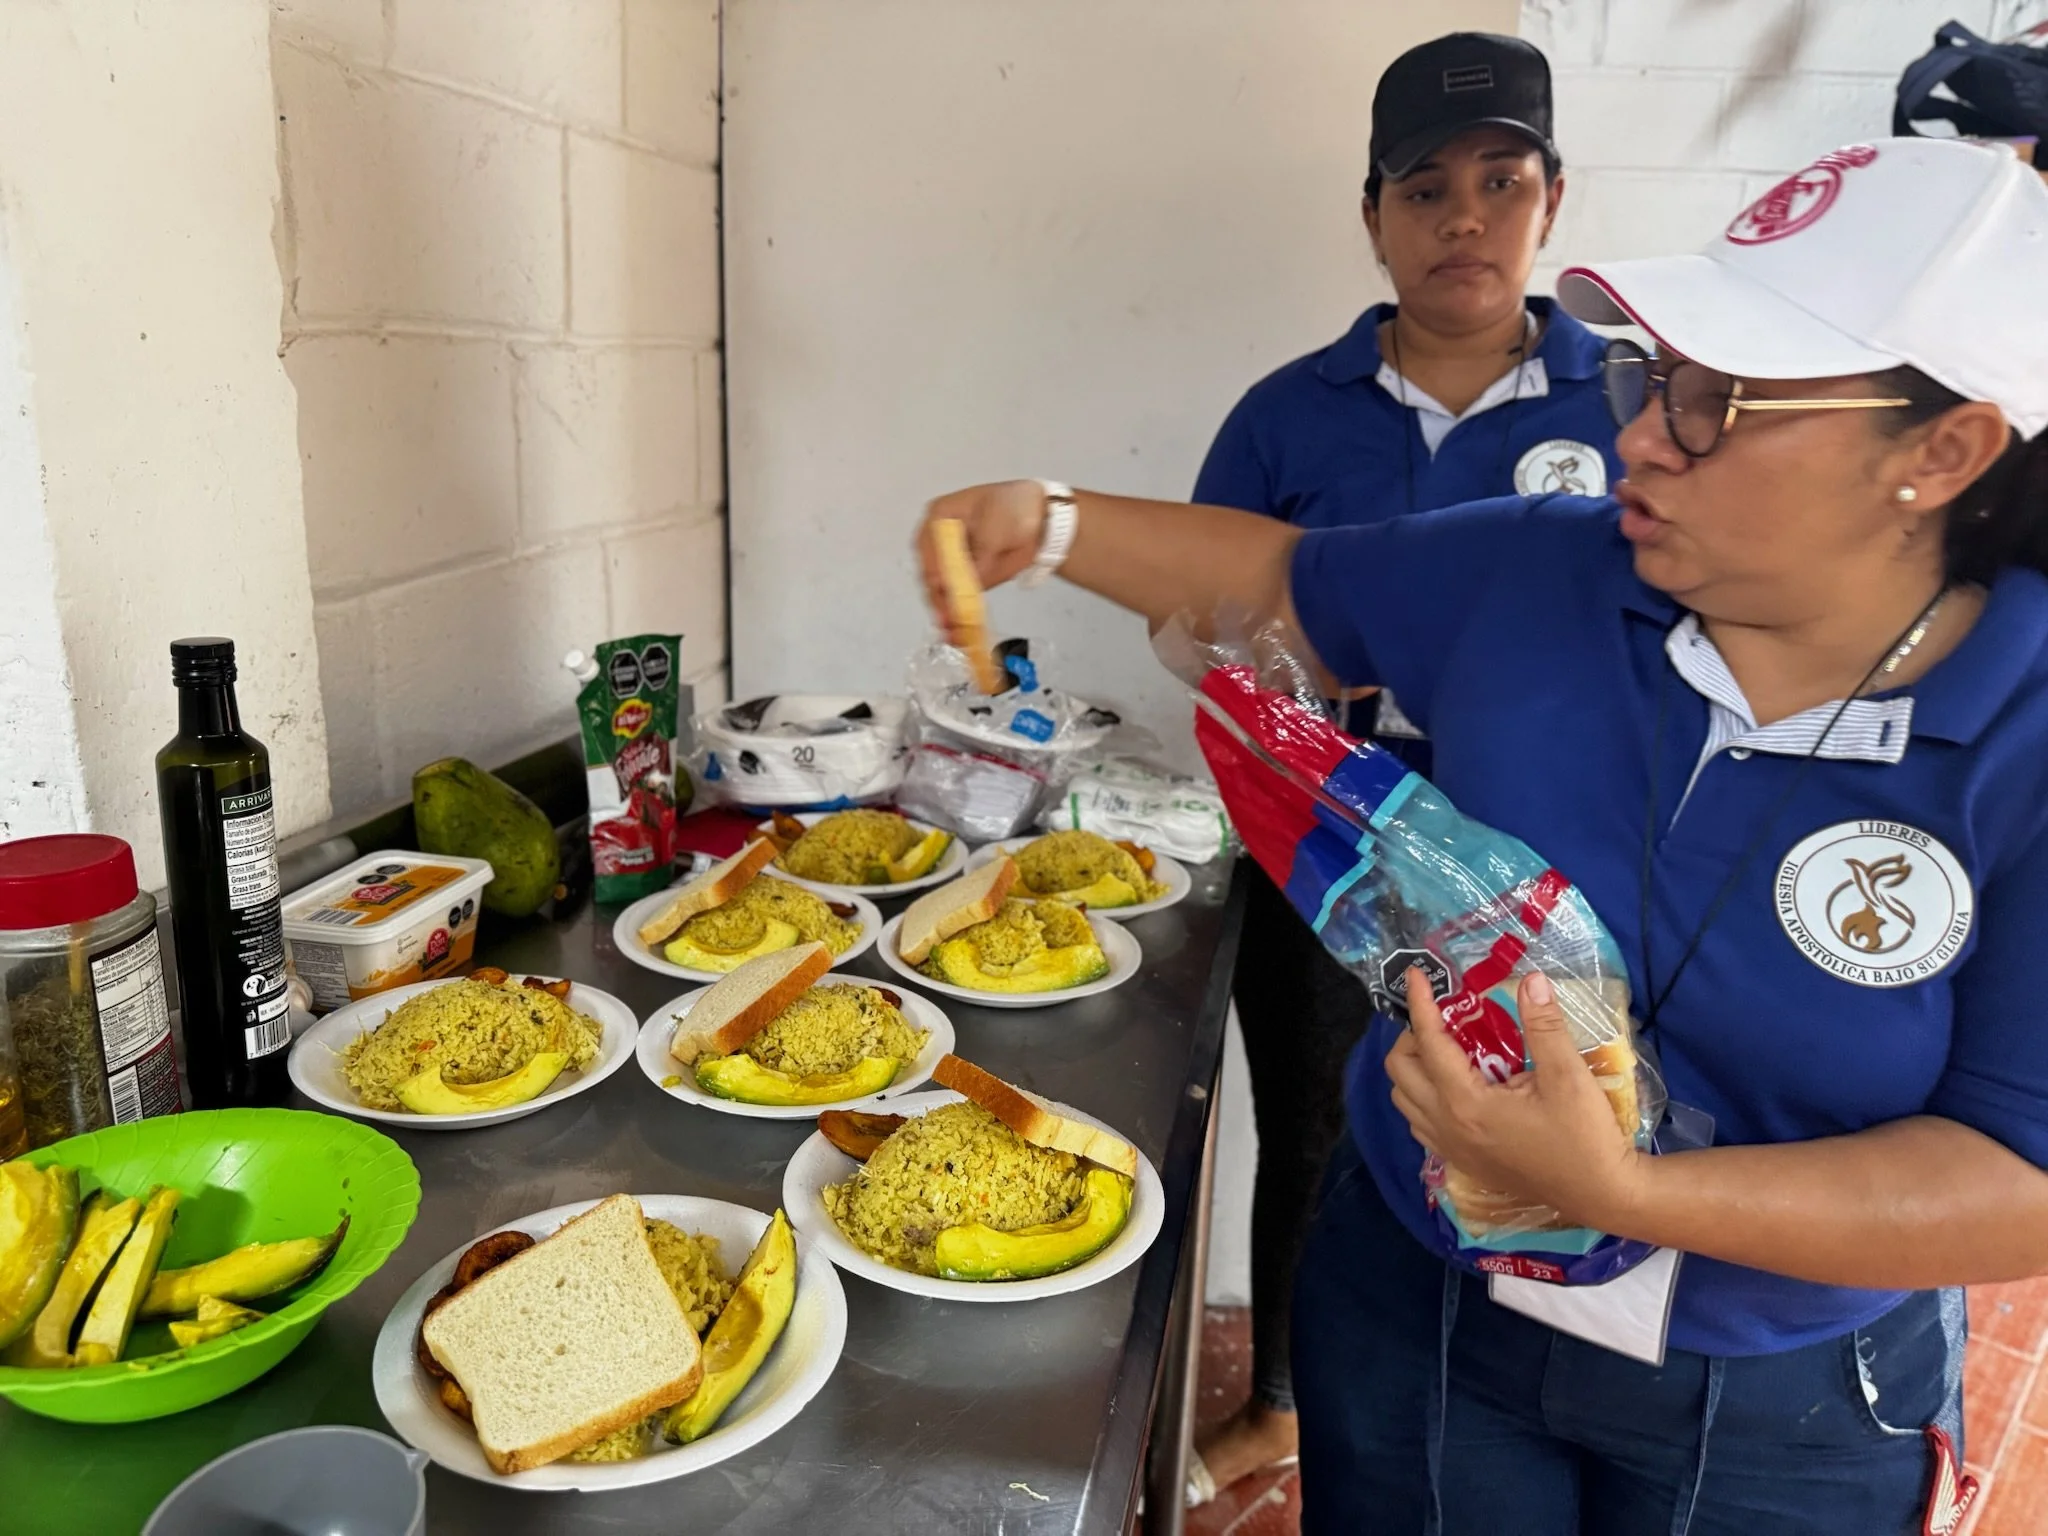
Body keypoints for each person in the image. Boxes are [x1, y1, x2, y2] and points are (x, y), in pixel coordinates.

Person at [916, 137, 2048, 1534]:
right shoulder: (1546, 568)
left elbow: (2017, 1176)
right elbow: (1281, 577)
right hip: (1427, 1315)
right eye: (1649, 374)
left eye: (1713, 401)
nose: (1641, 430)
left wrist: (1616, 1188)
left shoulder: (2025, 737)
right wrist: (1055, 520)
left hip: (1775, 1401)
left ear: (1942, 451)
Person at [1185, 31, 1620, 1502]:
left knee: (1565, 1122)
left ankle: (1541, 1395)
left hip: (1557, 862)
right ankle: (1298, 1400)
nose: (1465, 220)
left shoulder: (1628, 404)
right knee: (1314, 1116)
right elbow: (1205, 627)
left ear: (1552, 200)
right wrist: (1287, 666)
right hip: (1329, 849)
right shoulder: (1286, 414)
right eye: (1424, 188)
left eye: (1502, 182)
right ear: (1371, 216)